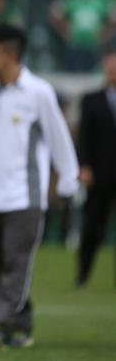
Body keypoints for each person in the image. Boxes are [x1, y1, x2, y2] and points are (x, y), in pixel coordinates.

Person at [0, 23, 79, 350]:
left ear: (10, 55)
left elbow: (59, 139)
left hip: (25, 198)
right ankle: (20, 327)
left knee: (15, 266)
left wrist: (69, 179)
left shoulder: (38, 91)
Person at [76, 42, 116, 287]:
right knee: (92, 227)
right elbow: (84, 138)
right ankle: (83, 274)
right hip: (99, 173)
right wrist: (84, 166)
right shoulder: (92, 100)